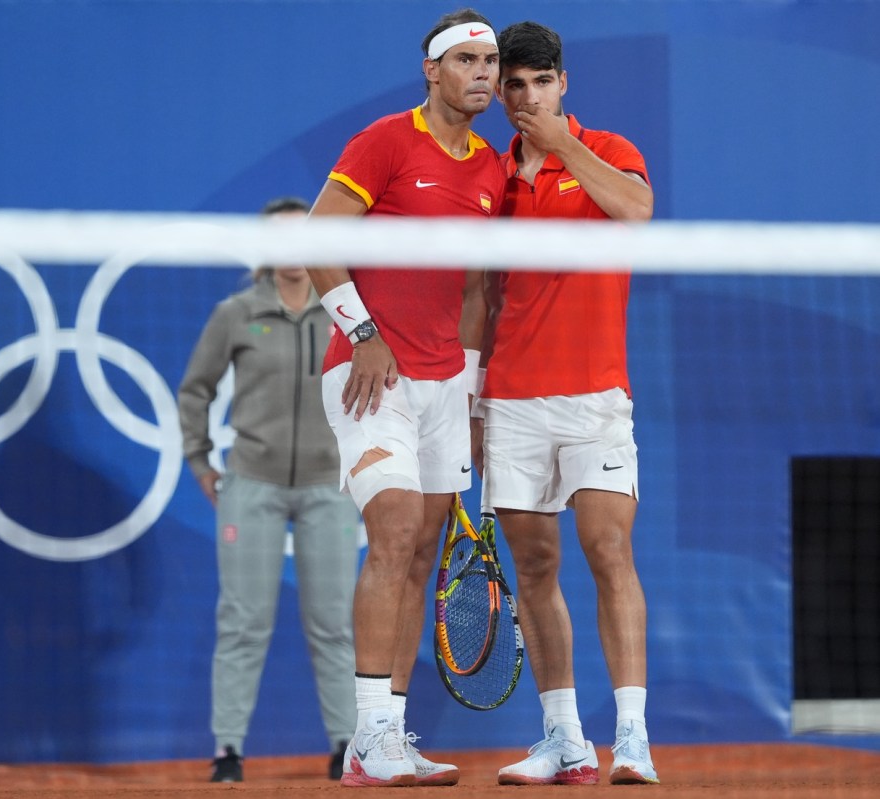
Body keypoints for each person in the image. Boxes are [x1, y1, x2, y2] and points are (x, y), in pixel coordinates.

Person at [305, 7, 506, 788]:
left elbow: (476, 293)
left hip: (445, 383)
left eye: (490, 62)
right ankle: (366, 739)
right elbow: (314, 238)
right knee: (393, 531)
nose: (482, 74)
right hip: (370, 373)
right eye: (466, 61)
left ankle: (388, 732)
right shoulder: (385, 141)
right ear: (432, 70)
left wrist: (473, 392)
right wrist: (362, 333)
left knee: (421, 551)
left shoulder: (491, 170)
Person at [474, 20, 659, 786]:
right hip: (511, 399)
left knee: (609, 551)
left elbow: (637, 211)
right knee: (535, 563)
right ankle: (564, 738)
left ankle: (633, 738)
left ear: (563, 83)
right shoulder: (489, 179)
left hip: (595, 396)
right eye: (514, 86)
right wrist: (473, 401)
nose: (527, 97)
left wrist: (562, 146)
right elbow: (481, 294)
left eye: (539, 83)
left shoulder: (608, 150)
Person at [178, 196, 361, 783]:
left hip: (329, 487)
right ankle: (228, 751)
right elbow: (195, 390)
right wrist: (200, 461)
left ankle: (347, 745)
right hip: (251, 485)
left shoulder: (348, 311)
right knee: (242, 622)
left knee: (334, 624)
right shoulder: (236, 313)